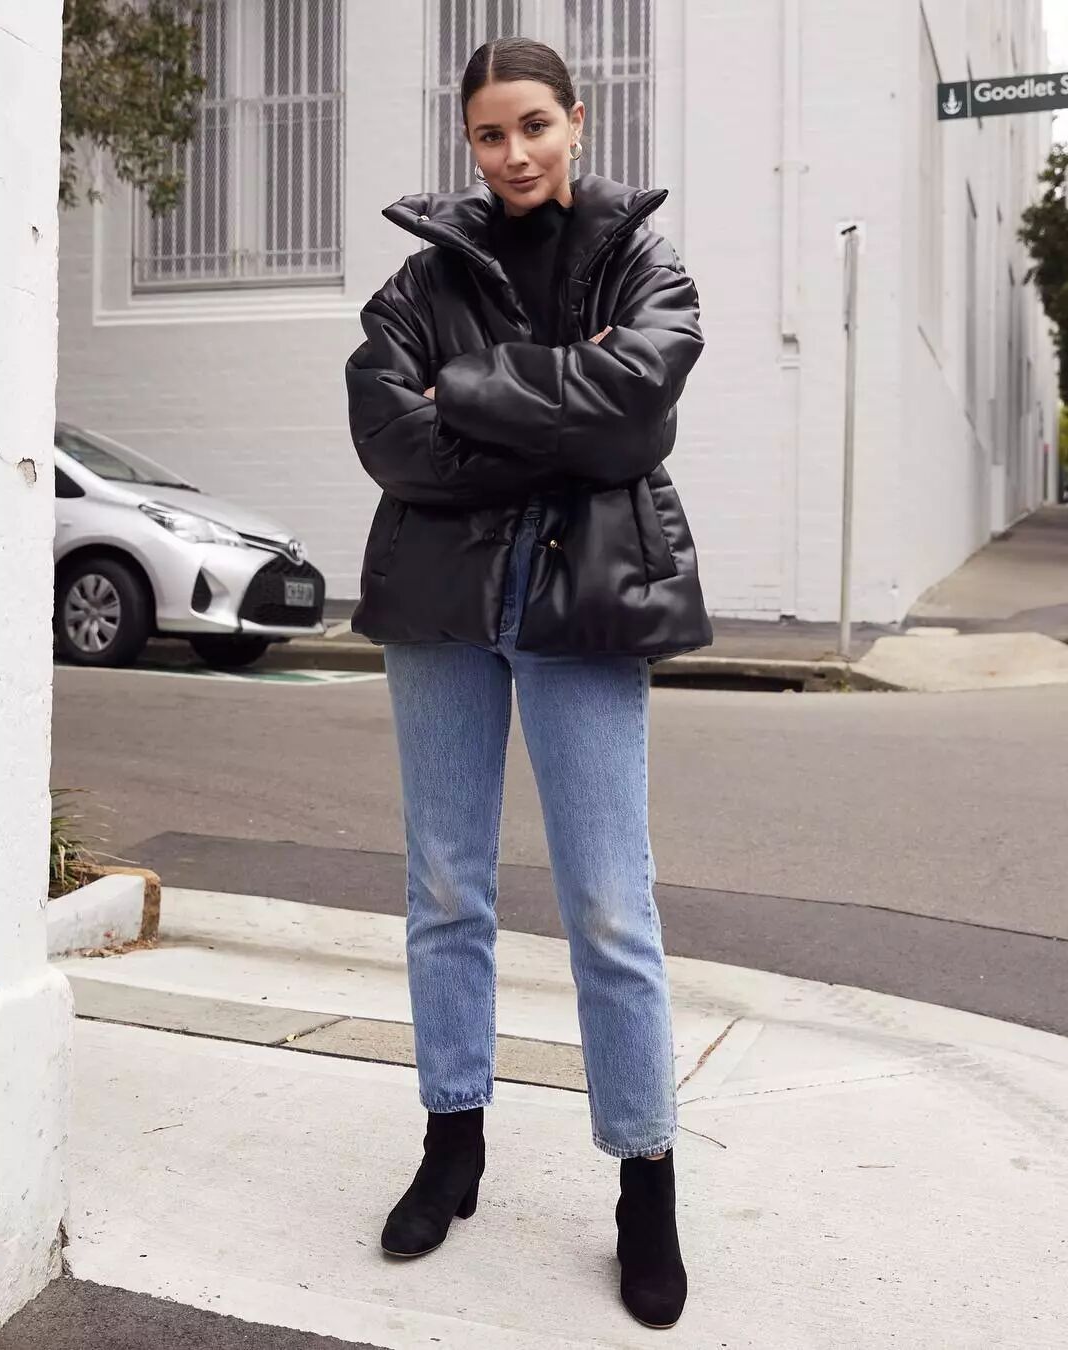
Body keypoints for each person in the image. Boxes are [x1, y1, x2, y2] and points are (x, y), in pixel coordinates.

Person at [345, 35, 711, 1331]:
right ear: (470, 141)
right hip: (442, 609)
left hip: (585, 605)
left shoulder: (643, 263)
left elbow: (638, 412)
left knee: (610, 906)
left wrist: (470, 390)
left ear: (577, 121)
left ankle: (646, 1181)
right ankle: (453, 1144)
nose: (514, 154)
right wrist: (564, 425)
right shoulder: (419, 278)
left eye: (535, 126)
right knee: (446, 888)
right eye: (490, 134)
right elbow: (389, 435)